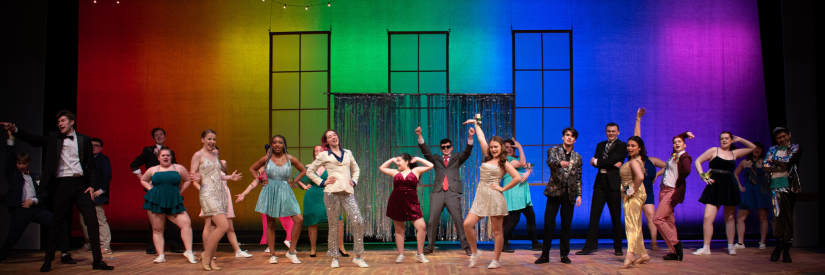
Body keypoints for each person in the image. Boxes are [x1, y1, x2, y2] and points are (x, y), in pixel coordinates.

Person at [3, 111, 115, 271]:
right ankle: (48, 261)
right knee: (56, 223)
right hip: (62, 184)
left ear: (72, 122)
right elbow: (35, 140)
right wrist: (16, 131)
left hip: (82, 185)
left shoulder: (84, 139)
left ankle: (97, 260)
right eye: (58, 122)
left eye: (63, 121)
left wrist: (91, 185)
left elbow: (92, 165)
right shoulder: (54, 137)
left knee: (92, 221)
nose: (60, 124)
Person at [0, 128, 73, 264]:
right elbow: (9, 157)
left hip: (36, 209)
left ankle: (65, 254)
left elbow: (44, 192)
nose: (21, 166)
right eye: (19, 163)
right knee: (13, 237)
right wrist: (11, 138)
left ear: (28, 163)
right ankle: (2, 255)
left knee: (60, 224)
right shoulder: (13, 175)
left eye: (24, 163)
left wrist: (34, 200)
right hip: (21, 210)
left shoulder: (36, 177)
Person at [461, 115, 523, 269]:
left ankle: (496, 259)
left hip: (495, 197)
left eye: (496, 146)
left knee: (497, 231)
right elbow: (481, 139)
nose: (494, 149)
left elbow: (517, 177)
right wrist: (476, 124)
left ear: (501, 147)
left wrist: (502, 188)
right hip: (481, 196)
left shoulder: (504, 162)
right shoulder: (487, 155)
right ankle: (475, 252)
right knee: (467, 224)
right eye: (492, 146)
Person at [635, 108, 693, 261]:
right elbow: (667, 168)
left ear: (685, 145)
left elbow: (686, 171)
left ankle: (675, 243)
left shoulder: (684, 156)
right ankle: (674, 252)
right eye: (674, 142)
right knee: (669, 221)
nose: (676, 143)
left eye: (679, 142)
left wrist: (677, 183)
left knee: (657, 218)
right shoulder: (673, 156)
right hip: (663, 191)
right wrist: (684, 134)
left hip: (671, 191)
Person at [306, 130, 369, 268]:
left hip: (347, 192)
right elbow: (309, 171)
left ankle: (358, 256)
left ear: (337, 137)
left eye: (334, 135)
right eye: (329, 137)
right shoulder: (323, 155)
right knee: (333, 225)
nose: (333, 137)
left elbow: (356, 169)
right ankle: (334, 256)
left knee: (358, 221)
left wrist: (355, 180)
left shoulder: (347, 152)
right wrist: (322, 182)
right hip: (331, 193)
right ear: (326, 141)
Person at [240, 135, 306, 264]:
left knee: (299, 219)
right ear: (272, 145)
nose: (277, 145)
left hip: (286, 191)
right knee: (270, 224)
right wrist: (260, 181)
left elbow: (303, 171)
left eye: (280, 142)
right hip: (269, 191)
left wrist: (293, 182)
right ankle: (272, 254)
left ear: (284, 145)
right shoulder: (266, 159)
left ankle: (291, 252)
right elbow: (252, 169)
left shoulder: (290, 158)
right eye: (274, 142)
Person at [693, 132, 755, 256]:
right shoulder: (713, 150)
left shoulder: (734, 153)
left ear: (731, 140)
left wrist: (740, 139)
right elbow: (698, 161)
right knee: (707, 218)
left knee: (730, 218)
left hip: (729, 186)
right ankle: (706, 248)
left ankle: (731, 247)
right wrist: (703, 176)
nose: (724, 140)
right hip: (715, 185)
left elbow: (752, 148)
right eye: (722, 139)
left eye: (727, 138)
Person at [415, 126, 473, 256]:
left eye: (448, 146)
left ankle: (466, 246)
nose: (446, 149)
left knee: (458, 219)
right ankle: (429, 246)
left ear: (451, 147)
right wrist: (419, 136)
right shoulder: (436, 159)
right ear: (441, 149)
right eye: (443, 147)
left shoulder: (457, 157)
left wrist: (470, 137)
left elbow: (467, 152)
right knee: (432, 220)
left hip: (453, 192)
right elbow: (426, 152)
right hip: (438, 192)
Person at [189, 129, 242, 270]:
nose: (212, 142)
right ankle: (206, 256)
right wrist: (196, 179)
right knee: (224, 226)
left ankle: (211, 260)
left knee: (215, 228)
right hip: (208, 194)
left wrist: (230, 177)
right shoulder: (198, 155)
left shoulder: (215, 155)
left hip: (220, 194)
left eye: (214, 139)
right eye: (209, 139)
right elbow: (194, 176)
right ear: (202, 139)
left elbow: (217, 175)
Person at [129, 127, 183, 254]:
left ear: (165, 136)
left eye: (161, 134)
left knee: (172, 216)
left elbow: (175, 168)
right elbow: (134, 165)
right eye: (156, 135)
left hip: (169, 189)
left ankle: (175, 246)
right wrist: (145, 181)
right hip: (156, 189)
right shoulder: (148, 150)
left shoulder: (170, 151)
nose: (159, 136)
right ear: (153, 138)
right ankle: (151, 247)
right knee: (155, 218)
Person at [139, 147, 197, 264]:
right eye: (163, 155)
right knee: (157, 229)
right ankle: (160, 255)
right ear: (158, 157)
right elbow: (143, 180)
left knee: (186, 223)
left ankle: (189, 251)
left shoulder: (179, 168)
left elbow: (187, 180)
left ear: (171, 157)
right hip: (156, 201)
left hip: (173, 201)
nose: (166, 157)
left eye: (168, 155)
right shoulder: (153, 169)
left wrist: (179, 191)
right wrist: (150, 189)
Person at [577, 123, 627, 256]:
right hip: (600, 182)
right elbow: (603, 162)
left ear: (618, 132)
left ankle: (618, 248)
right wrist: (605, 162)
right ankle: (590, 246)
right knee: (594, 215)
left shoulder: (622, 146)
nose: (611, 133)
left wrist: (598, 161)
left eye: (613, 131)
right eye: (609, 131)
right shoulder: (600, 145)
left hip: (614, 184)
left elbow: (610, 160)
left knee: (616, 216)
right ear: (606, 132)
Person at [535, 127, 582, 265]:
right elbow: (550, 161)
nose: (569, 137)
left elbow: (578, 176)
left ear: (575, 139)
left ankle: (564, 255)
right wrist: (559, 163)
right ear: (563, 137)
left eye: (572, 136)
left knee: (566, 226)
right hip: (554, 192)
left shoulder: (577, 157)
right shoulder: (553, 150)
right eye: (567, 135)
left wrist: (579, 194)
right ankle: (545, 255)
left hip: (570, 194)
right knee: (549, 224)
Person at [196, 147, 252, 258]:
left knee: (229, 226)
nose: (215, 156)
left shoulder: (222, 164)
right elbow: (196, 182)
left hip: (224, 196)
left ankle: (238, 251)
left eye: (217, 154)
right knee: (208, 226)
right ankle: (208, 253)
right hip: (211, 197)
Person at [378, 153, 434, 263]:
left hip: (412, 203)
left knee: (421, 227)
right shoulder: (395, 172)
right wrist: (391, 159)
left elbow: (430, 165)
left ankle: (419, 253)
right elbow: (382, 167)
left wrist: (417, 158)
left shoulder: (416, 171)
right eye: (397, 161)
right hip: (396, 202)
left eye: (399, 161)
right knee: (399, 230)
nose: (397, 163)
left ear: (407, 161)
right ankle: (400, 255)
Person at [297, 144, 349, 257]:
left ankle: (341, 247)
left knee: (339, 221)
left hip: (328, 196)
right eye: (316, 151)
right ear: (314, 154)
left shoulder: (330, 166)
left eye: (321, 150)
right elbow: (297, 178)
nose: (318, 152)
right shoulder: (309, 166)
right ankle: (313, 249)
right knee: (313, 223)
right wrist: (304, 186)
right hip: (312, 197)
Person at [763, 127, 801, 263]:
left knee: (788, 218)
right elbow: (764, 165)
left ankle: (786, 250)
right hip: (774, 186)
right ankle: (778, 246)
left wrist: (774, 161)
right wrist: (777, 165)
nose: (782, 139)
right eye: (779, 138)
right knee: (777, 217)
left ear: (789, 135)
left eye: (784, 136)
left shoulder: (795, 147)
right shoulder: (772, 149)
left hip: (789, 187)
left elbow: (788, 162)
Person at [618, 136, 650, 269]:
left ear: (640, 148)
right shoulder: (636, 159)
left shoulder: (634, 162)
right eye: (628, 145)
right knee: (635, 223)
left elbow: (640, 177)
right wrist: (638, 119)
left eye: (633, 146)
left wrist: (632, 191)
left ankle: (629, 255)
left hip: (634, 194)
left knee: (631, 225)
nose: (630, 148)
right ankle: (643, 255)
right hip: (633, 193)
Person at [501, 139, 538, 253]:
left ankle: (535, 243)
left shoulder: (516, 158)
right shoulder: (506, 160)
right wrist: (520, 147)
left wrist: (527, 173)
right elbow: (523, 164)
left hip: (522, 192)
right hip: (514, 192)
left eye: (512, 146)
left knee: (531, 217)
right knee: (515, 219)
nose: (510, 148)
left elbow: (530, 165)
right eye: (507, 147)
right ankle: (503, 244)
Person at [77, 138, 113, 255]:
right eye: (91, 145)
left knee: (100, 219)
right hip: (84, 194)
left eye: (96, 145)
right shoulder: (84, 159)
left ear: (101, 148)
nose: (93, 147)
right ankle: (90, 243)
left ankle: (105, 246)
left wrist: (102, 190)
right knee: (84, 220)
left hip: (97, 193)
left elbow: (107, 174)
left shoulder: (103, 159)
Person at [733, 142, 771, 250]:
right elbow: (735, 174)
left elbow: (771, 175)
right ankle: (740, 243)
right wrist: (740, 186)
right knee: (740, 218)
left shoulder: (765, 162)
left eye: (759, 149)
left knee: (763, 218)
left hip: (761, 192)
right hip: (748, 192)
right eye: (755, 148)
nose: (757, 150)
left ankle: (762, 242)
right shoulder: (744, 162)